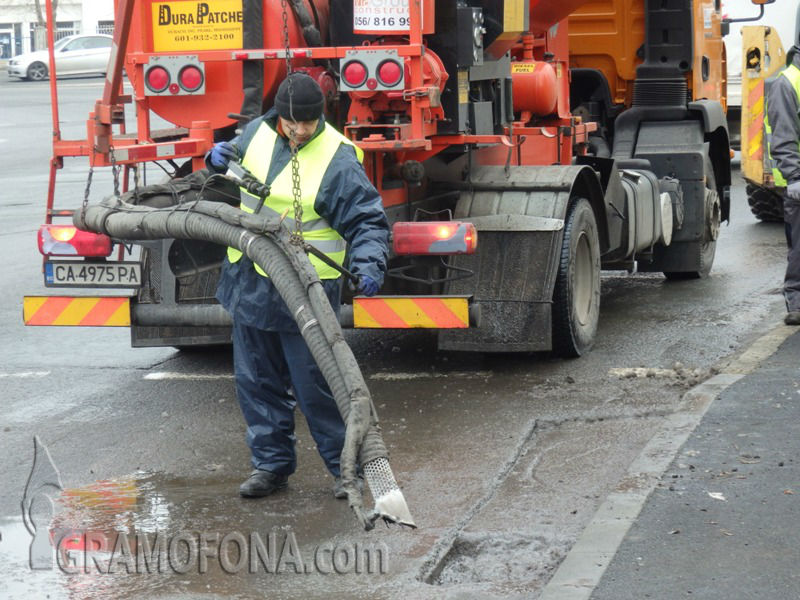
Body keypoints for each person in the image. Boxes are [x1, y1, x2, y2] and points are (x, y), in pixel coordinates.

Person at [206, 72, 389, 497]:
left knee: (317, 388)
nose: (300, 131)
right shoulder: (256, 133)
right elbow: (233, 160)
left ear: (319, 117)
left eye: (308, 123)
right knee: (257, 383)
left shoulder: (337, 158)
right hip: (250, 282)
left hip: (306, 293)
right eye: (293, 123)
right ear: (279, 117)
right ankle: (270, 466)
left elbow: (366, 221)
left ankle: (346, 471)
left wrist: (368, 265)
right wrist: (217, 157)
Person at [766, 38, 800, 325]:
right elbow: (784, 136)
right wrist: (795, 176)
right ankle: (797, 302)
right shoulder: (786, 84)